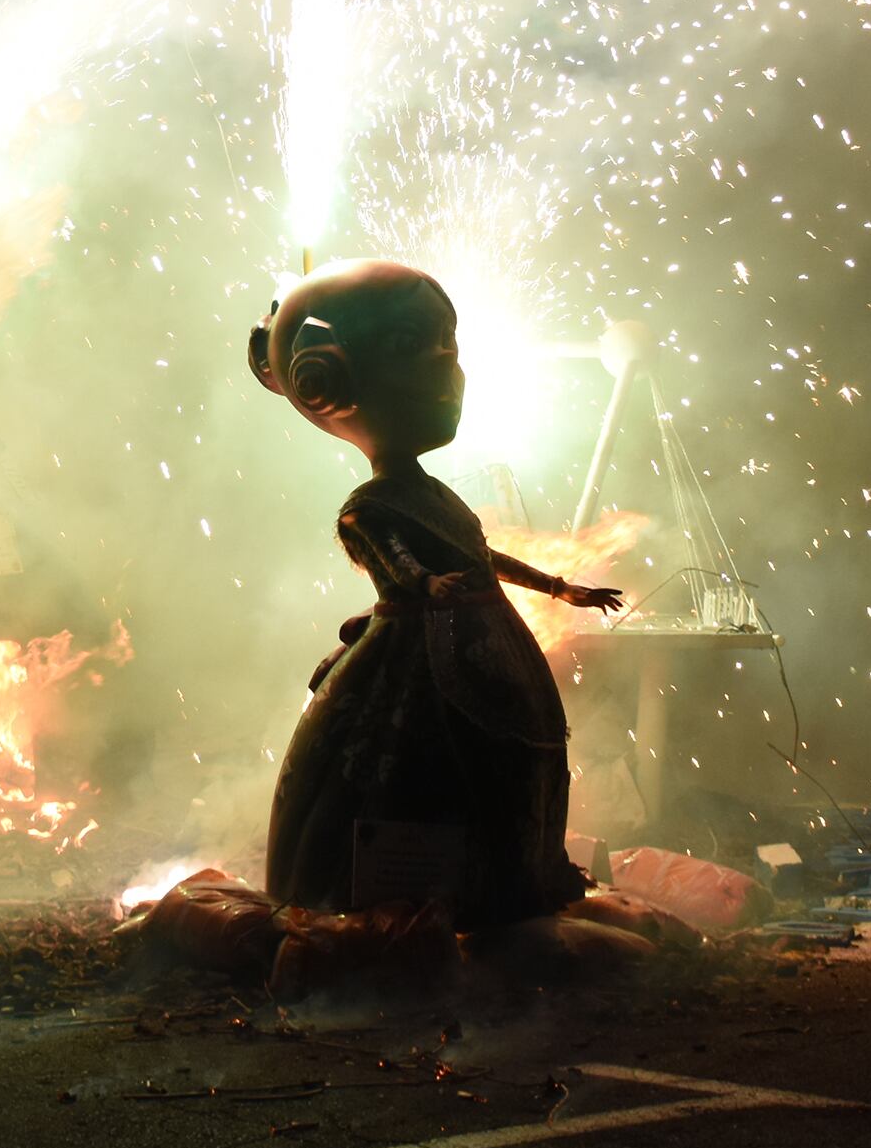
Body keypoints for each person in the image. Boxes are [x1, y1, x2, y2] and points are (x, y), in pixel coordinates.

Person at [248, 259, 624, 928]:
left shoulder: (431, 495)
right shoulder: (367, 508)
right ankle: (423, 901)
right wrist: (427, 585)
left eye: (447, 342)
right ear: (321, 380)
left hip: (484, 641)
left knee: (512, 754)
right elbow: (399, 564)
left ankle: (515, 880)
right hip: (423, 656)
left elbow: (477, 556)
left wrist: (559, 587)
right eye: (409, 343)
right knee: (426, 766)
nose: (446, 363)